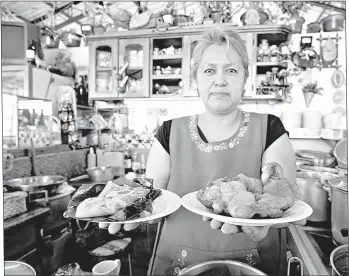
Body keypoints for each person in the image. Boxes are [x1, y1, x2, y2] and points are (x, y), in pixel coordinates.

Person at [99, 25, 304, 276]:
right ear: (195, 79)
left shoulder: (270, 128)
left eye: (231, 70)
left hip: (254, 259)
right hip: (177, 260)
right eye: (209, 70)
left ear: (244, 78)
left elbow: (283, 198)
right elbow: (152, 197)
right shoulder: (169, 131)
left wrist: (269, 222)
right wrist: (131, 212)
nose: (220, 80)